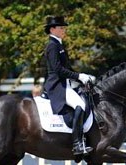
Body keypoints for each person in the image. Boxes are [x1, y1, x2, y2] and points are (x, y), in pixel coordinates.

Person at [43, 15, 94, 156]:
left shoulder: (59, 44)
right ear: (52, 29)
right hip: (58, 86)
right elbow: (58, 69)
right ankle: (77, 143)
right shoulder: (52, 46)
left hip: (66, 84)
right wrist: (78, 77)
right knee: (80, 105)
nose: (64, 30)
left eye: (64, 28)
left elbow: (67, 68)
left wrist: (82, 77)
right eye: (61, 28)